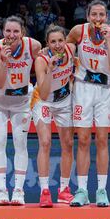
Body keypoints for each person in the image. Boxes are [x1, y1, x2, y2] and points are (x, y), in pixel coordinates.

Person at [67, 0, 110, 207]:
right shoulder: (77, 32)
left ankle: (101, 190)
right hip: (83, 88)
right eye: (94, 15)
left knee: (101, 139)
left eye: (101, 15)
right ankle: (81, 190)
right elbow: (65, 51)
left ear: (106, 17)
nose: (98, 19)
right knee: (82, 139)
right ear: (88, 16)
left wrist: (108, 41)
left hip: (105, 90)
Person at [0, 15, 41, 205]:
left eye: (16, 31)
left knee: (20, 143)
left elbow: (42, 66)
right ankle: (1, 191)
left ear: (23, 33)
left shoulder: (33, 46)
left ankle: (19, 191)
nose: (11, 34)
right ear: (3, 32)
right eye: (8, 31)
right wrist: (5, 61)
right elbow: (0, 82)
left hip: (22, 102)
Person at [32, 24, 75, 208]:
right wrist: (50, 69)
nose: (57, 45)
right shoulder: (41, 60)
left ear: (65, 40)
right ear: (47, 44)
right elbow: (43, 93)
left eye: (60, 40)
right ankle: (45, 191)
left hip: (64, 102)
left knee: (68, 144)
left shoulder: (71, 50)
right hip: (43, 101)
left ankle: (64, 190)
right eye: (53, 42)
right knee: (45, 142)